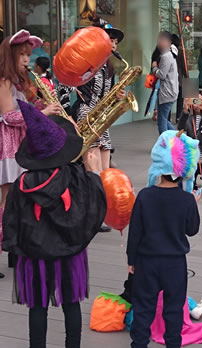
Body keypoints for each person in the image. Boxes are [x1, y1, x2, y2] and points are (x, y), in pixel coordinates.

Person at [2, 101, 107, 348]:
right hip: (69, 252)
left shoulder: (22, 183)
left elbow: (11, 221)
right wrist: (93, 174)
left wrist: (19, 251)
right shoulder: (75, 177)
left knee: (37, 308)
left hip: (34, 255)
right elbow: (93, 210)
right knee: (71, 304)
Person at [128, 129, 201, 348]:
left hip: (146, 261)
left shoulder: (144, 196)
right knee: (173, 309)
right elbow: (192, 229)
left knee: (143, 308)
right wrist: (194, 206)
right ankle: (172, 344)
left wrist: (131, 260)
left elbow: (135, 232)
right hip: (175, 263)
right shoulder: (186, 200)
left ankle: (139, 344)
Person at [0, 30, 62, 272]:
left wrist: (43, 104)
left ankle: (16, 247)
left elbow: (24, 110)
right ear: (11, 55)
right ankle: (9, 244)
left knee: (16, 198)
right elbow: (10, 116)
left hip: (20, 143)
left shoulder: (17, 82)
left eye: (29, 55)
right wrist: (41, 113)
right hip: (8, 144)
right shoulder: (4, 81)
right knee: (8, 199)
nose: (28, 60)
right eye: (23, 55)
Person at [72, 22, 127, 172]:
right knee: (93, 165)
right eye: (111, 40)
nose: (114, 45)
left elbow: (107, 95)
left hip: (101, 117)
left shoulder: (109, 67)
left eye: (115, 42)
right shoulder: (87, 63)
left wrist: (116, 96)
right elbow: (72, 88)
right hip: (87, 113)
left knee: (105, 168)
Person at [153, 31, 179, 134]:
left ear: (169, 42)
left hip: (168, 92)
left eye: (163, 40)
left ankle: (164, 144)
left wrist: (154, 68)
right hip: (173, 90)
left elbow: (162, 75)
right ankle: (180, 137)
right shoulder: (170, 54)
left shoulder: (166, 56)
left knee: (162, 121)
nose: (160, 43)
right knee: (163, 119)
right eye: (159, 40)